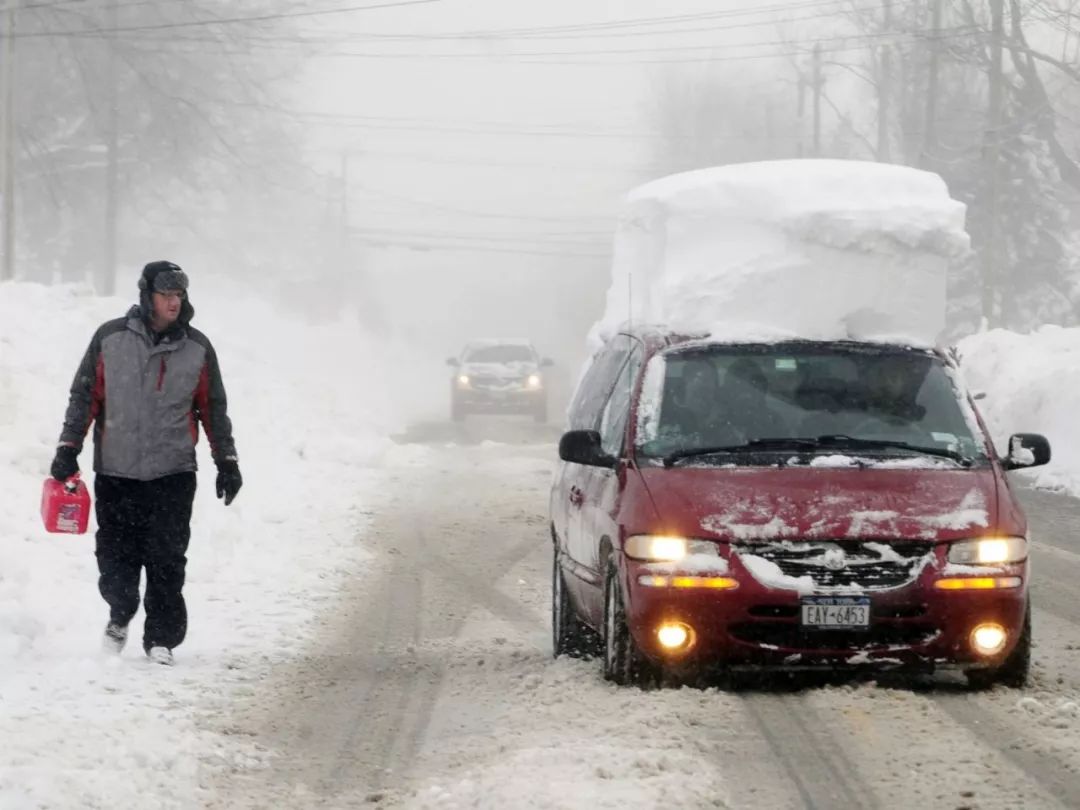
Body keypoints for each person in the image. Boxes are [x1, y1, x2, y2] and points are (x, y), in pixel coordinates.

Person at [50, 261, 242, 666]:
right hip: (117, 472)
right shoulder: (110, 339)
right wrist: (69, 446)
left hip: (173, 472)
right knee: (115, 555)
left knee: (167, 557)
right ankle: (120, 613)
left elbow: (213, 407)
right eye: (166, 294)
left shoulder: (197, 348)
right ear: (146, 295)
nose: (174, 302)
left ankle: (161, 639)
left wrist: (226, 460)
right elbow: (84, 397)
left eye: (179, 295)